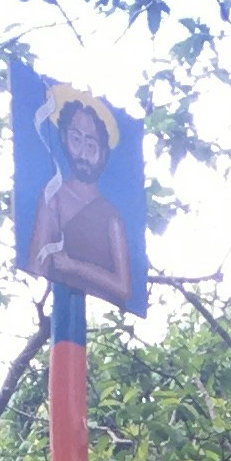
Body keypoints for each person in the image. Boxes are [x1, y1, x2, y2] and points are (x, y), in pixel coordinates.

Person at [26, 88, 134, 304]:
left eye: (91, 145)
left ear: (103, 152)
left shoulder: (110, 216)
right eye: (76, 139)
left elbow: (123, 287)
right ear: (64, 139)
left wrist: (75, 266)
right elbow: (36, 263)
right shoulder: (53, 197)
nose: (83, 154)